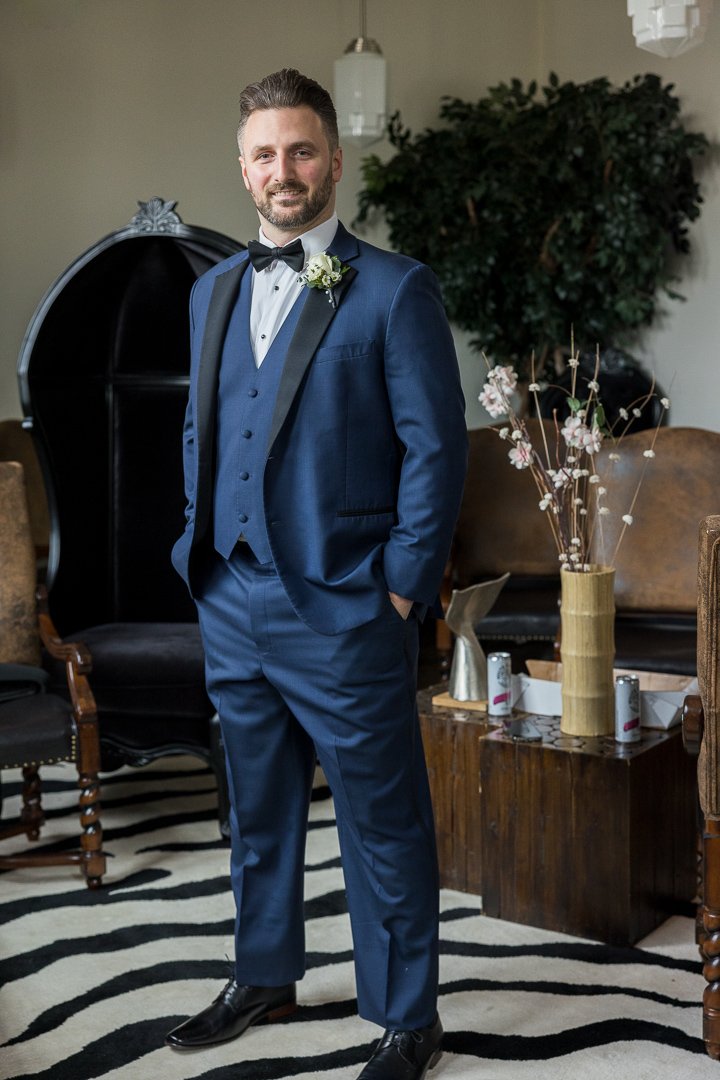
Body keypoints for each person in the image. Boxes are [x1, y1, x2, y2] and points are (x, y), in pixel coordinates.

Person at [166, 68, 468, 1080]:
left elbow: (436, 448)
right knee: (254, 804)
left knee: (382, 816)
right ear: (242, 167)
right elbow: (201, 429)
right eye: (264, 153)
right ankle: (265, 970)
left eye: (301, 151)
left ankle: (405, 1016)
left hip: (346, 605)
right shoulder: (212, 288)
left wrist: (399, 586)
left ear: (335, 161)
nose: (282, 170)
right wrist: (196, 551)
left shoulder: (394, 288)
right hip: (230, 596)